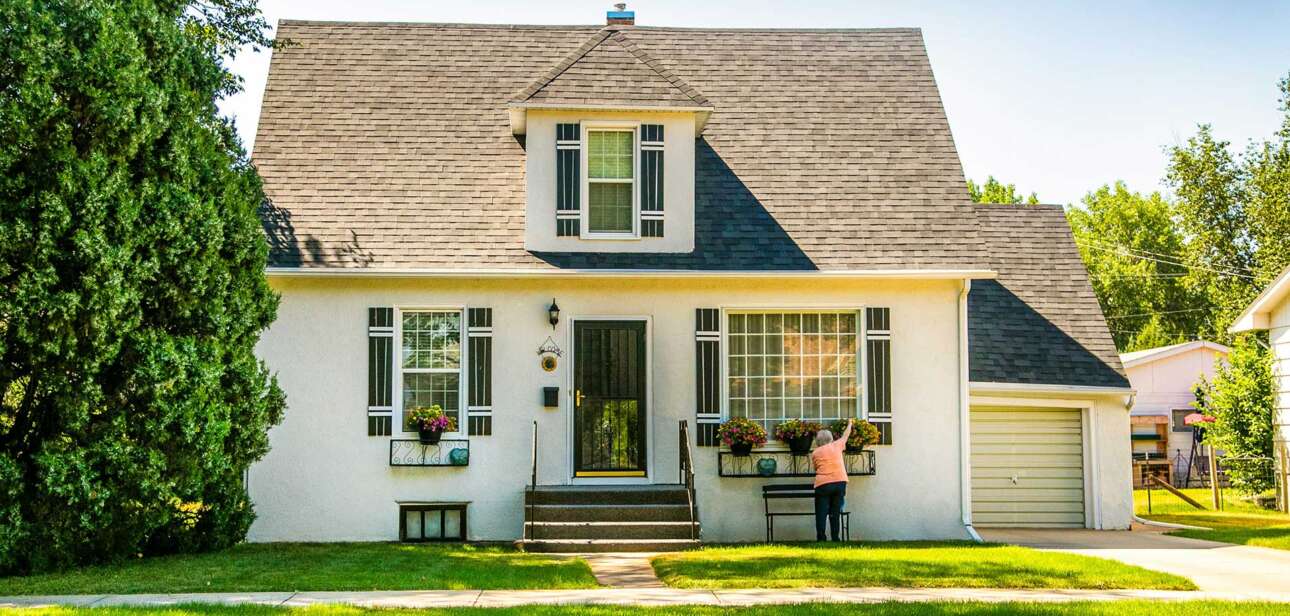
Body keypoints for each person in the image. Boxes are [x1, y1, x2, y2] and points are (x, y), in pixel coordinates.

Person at [810, 418, 852, 541]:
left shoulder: (815, 453)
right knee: (835, 512)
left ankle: (821, 537)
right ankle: (835, 537)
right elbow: (846, 435)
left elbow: (816, 468)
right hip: (839, 482)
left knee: (821, 512)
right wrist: (850, 424)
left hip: (822, 484)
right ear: (830, 438)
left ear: (818, 441)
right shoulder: (837, 445)